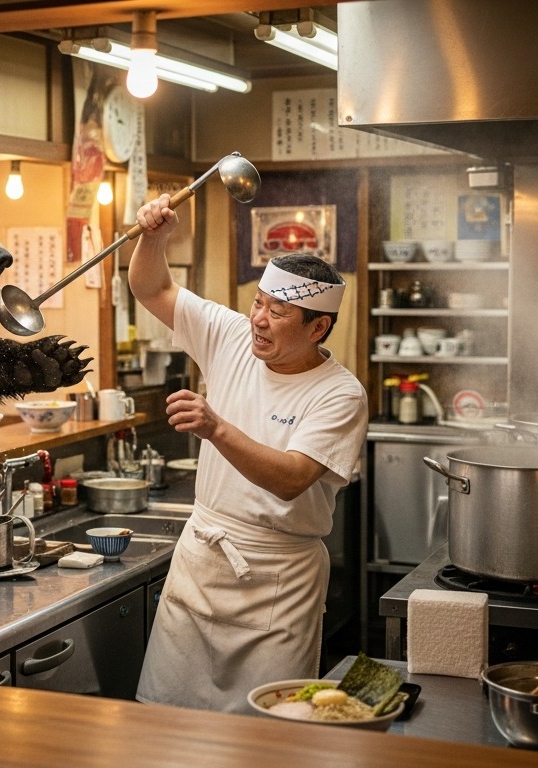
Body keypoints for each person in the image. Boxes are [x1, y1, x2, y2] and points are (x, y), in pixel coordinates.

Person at [129, 193, 368, 714]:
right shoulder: (231, 335)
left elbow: (291, 478)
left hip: (277, 582)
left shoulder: (340, 395)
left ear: (318, 327)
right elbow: (152, 287)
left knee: (266, 733)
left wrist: (216, 427)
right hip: (203, 563)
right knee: (163, 723)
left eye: (277, 311)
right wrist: (153, 238)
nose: (258, 319)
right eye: (258, 302)